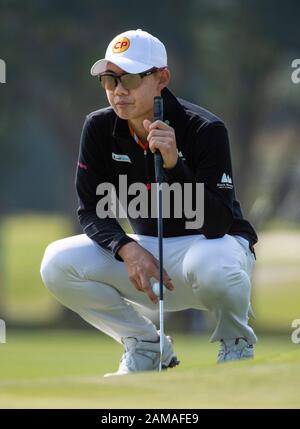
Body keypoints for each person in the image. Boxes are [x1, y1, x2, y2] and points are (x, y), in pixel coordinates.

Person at [40, 29, 258, 376]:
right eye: (109, 79)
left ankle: (236, 343)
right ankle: (145, 345)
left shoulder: (204, 129)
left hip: (210, 250)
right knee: (56, 263)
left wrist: (175, 165)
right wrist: (127, 249)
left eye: (128, 78)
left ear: (161, 79)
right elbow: (90, 211)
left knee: (214, 264)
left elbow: (218, 224)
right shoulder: (98, 127)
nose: (118, 90)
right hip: (148, 256)